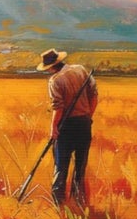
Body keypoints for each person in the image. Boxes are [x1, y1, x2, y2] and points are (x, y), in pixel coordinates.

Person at [37, 49, 98, 206]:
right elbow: (94, 95)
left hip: (66, 127)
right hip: (84, 125)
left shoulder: (55, 80)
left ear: (50, 67)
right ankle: (78, 202)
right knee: (80, 167)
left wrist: (53, 128)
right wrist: (88, 116)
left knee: (61, 167)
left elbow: (58, 108)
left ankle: (59, 205)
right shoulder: (80, 70)